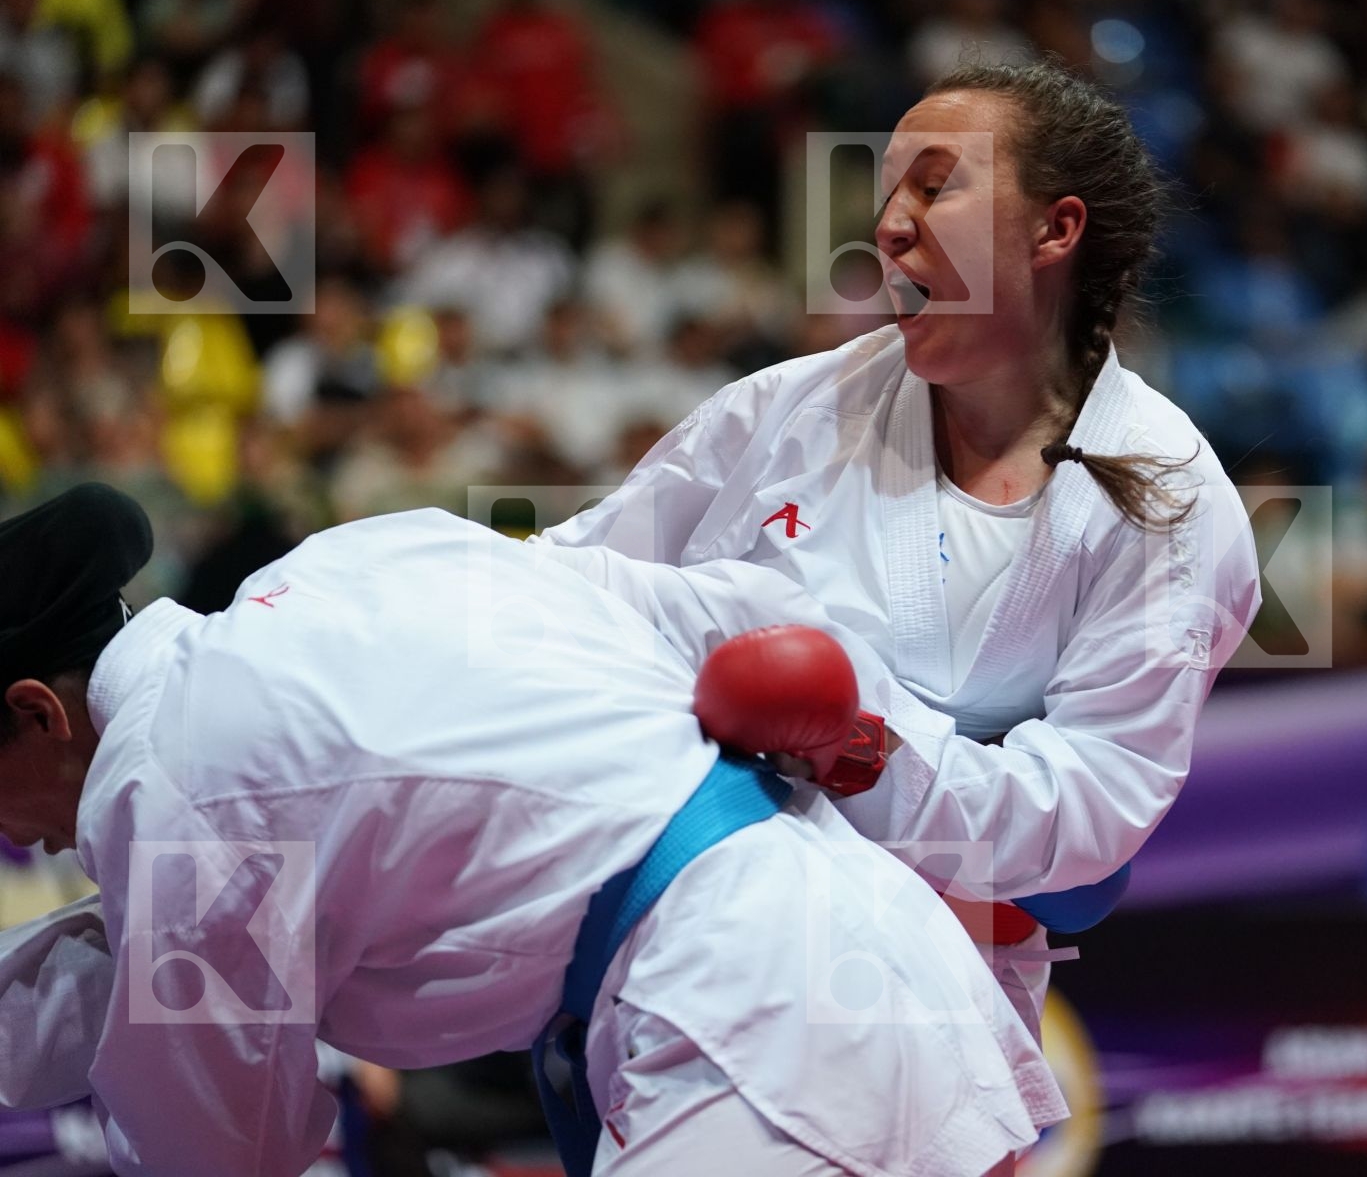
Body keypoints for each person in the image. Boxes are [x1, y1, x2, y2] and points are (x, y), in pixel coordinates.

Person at [0, 484, 1061, 1176]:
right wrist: (940, 809)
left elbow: (219, 1148)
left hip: (752, 1036)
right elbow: (740, 617)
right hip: (860, 950)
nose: (22, 837)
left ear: (38, 715)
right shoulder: (360, 558)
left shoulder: (165, 792)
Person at [540, 60, 1263, 1028]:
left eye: (934, 185)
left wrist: (860, 743)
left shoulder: (1165, 496)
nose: (888, 225)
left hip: (922, 1007)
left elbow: (1090, 819)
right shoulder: (788, 409)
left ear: (1056, 229)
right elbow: (567, 591)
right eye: (888, 194)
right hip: (669, 955)